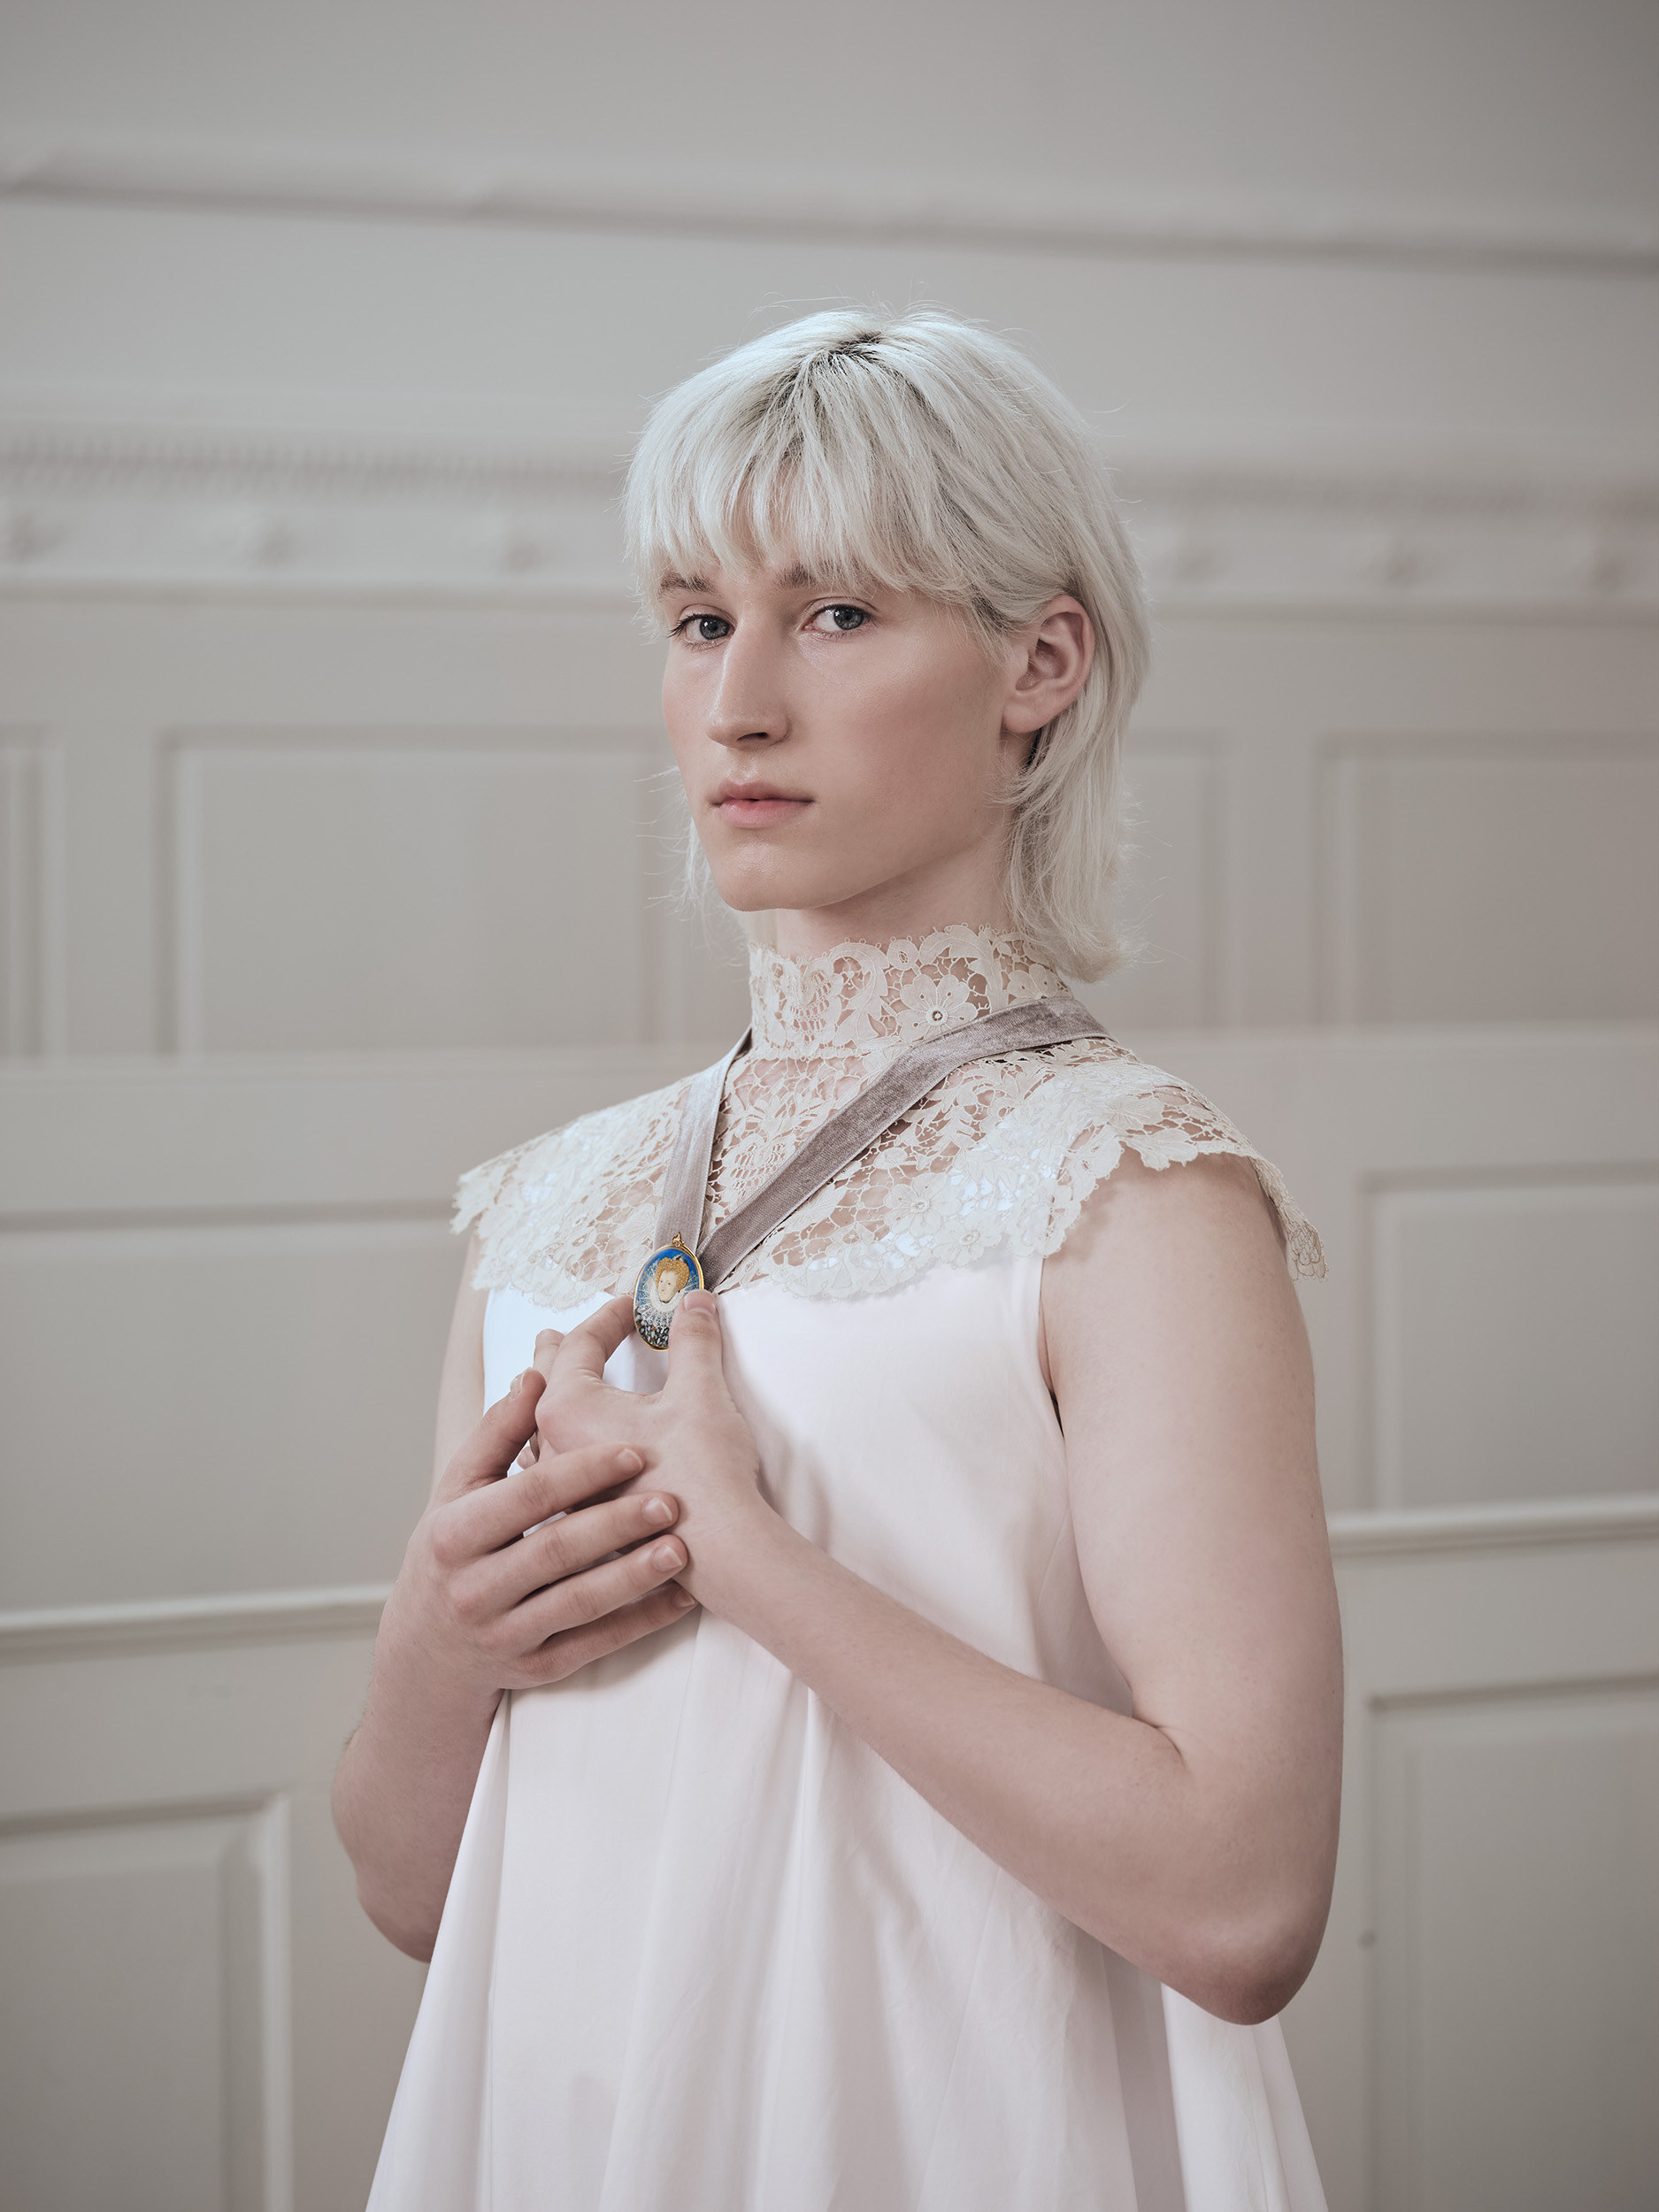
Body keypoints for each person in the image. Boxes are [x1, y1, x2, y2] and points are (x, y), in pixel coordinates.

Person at [336, 306, 1342, 2210]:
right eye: (698, 617)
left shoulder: (1133, 1195)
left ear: (1038, 659)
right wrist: (433, 1635)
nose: (736, 706)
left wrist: (753, 1562)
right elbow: (412, 1897)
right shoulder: (546, 1208)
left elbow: (1241, 1899)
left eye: (835, 614)